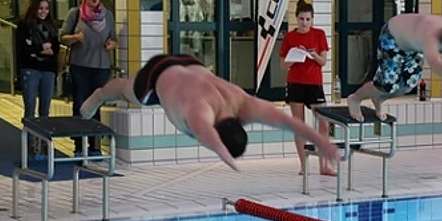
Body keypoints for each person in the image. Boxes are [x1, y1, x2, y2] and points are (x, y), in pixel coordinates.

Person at [79, 54, 340, 171]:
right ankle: (100, 95)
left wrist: (321, 142)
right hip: (159, 74)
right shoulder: (200, 112)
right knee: (127, 89)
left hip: (192, 64)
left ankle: (102, 94)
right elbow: (207, 136)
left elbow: (288, 122)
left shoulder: (243, 105)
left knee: (127, 88)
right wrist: (225, 157)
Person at [346, 14, 442, 122]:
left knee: (408, 86)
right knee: (386, 83)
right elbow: (437, 66)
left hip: (412, 47)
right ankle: (355, 99)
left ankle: (378, 98)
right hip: (393, 37)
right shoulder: (431, 36)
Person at [60, 0, 117, 157]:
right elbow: (62, 37)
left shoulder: (107, 16)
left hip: (101, 67)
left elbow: (114, 39)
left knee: (96, 105)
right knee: (80, 105)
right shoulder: (75, 13)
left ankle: (94, 145)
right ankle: (79, 146)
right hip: (80, 66)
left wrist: (111, 44)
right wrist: (75, 37)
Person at [280, 0, 336, 176]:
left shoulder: (319, 35)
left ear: (312, 20)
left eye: (307, 19)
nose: (304, 23)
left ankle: (324, 165)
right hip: (296, 83)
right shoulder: (290, 37)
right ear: (296, 18)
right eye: (301, 19)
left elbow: (323, 61)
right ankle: (304, 165)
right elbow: (283, 64)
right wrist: (296, 56)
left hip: (314, 84)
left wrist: (312, 55)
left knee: (324, 124)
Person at [17, 0, 61, 160]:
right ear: (34, 9)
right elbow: (24, 50)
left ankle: (44, 146)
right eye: (40, 8)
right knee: (30, 108)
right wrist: (41, 49)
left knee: (45, 110)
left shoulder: (51, 26)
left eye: (46, 9)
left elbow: (55, 48)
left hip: (47, 70)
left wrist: (37, 49)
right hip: (30, 69)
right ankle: (29, 146)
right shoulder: (24, 25)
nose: (43, 12)